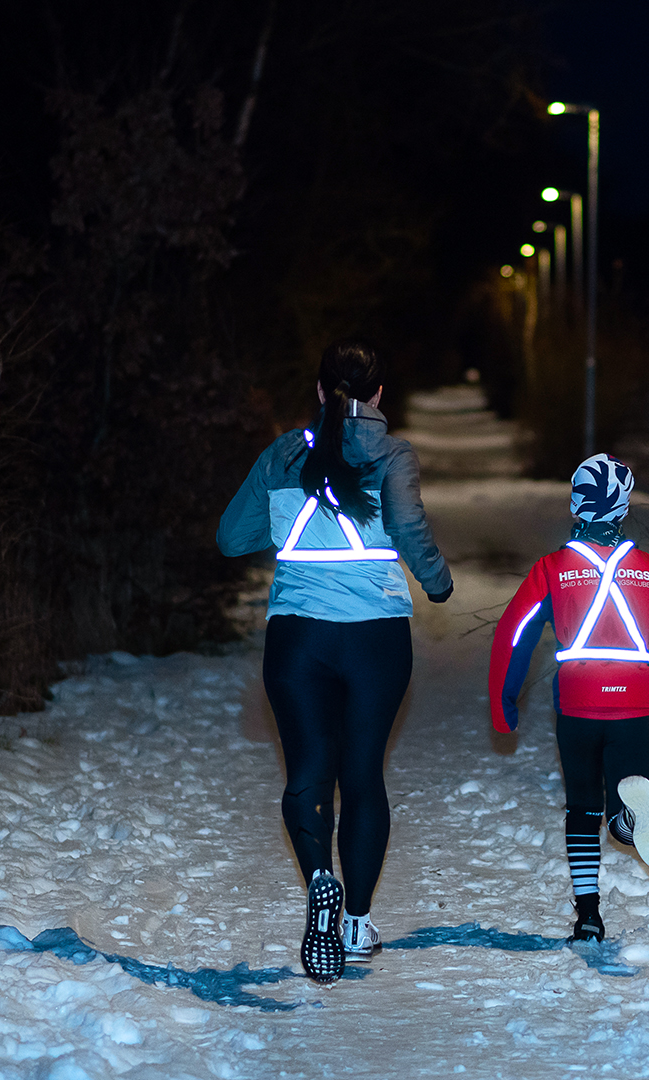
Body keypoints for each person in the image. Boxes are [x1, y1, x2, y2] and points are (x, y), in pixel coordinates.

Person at [217, 340, 452, 983]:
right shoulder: (393, 453)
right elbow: (408, 529)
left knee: (307, 774)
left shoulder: (285, 452)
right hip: (375, 640)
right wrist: (437, 583)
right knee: (363, 775)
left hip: (298, 640)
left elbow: (232, 537)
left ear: (320, 393)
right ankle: (354, 923)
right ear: (380, 397)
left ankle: (320, 878)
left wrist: (287, 503)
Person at [486, 453, 649, 943]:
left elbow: (512, 635)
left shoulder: (552, 569)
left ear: (576, 503)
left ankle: (588, 915)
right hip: (634, 703)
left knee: (581, 809)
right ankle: (629, 817)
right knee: (623, 802)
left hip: (578, 704)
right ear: (624, 509)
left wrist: (504, 705)